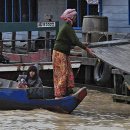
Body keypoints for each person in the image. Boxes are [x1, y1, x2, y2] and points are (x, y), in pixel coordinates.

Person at [52, 9, 94, 99]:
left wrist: (84, 45)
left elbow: (72, 41)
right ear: (71, 17)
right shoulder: (67, 27)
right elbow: (75, 40)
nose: (75, 18)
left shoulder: (68, 27)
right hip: (59, 53)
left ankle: (67, 92)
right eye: (74, 17)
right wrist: (87, 49)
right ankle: (58, 95)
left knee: (68, 73)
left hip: (63, 53)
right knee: (62, 74)